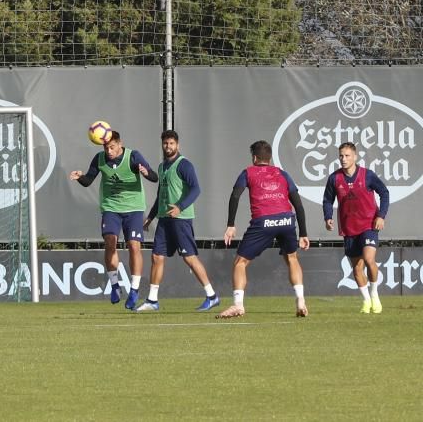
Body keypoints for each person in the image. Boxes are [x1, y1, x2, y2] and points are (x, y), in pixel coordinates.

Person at [217, 140, 310, 319]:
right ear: (270, 158)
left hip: (264, 221)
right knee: (292, 258)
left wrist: (230, 224)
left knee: (240, 263)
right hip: (286, 219)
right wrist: (303, 233)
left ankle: (238, 305)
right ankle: (300, 300)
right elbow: (298, 205)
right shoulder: (282, 173)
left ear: (254, 157)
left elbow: (235, 195)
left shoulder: (248, 172)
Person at [69, 130, 158, 309]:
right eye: (106, 147)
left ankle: (134, 289)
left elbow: (154, 177)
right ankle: (115, 285)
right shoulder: (100, 159)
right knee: (110, 241)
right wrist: (80, 177)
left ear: (120, 144)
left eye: (112, 147)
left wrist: (145, 172)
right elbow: (88, 181)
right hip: (111, 207)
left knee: (134, 245)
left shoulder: (133, 156)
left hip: (133, 208)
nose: (109, 151)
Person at [137, 130, 219, 312]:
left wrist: (180, 207)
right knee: (157, 257)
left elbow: (196, 189)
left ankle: (212, 296)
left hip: (181, 219)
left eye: (171, 143)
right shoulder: (161, 167)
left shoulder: (184, 165)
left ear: (177, 145)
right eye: (165, 143)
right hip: (164, 220)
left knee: (189, 258)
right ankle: (152, 300)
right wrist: (150, 217)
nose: (168, 146)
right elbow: (160, 196)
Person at [322, 142, 389, 314]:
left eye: (347, 155)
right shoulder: (334, 178)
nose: (343, 159)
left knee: (369, 259)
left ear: (355, 156)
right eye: (341, 156)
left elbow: (384, 192)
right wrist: (328, 216)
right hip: (349, 228)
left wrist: (381, 215)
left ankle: (374, 294)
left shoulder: (367, 175)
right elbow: (328, 200)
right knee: (357, 268)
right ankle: (366, 301)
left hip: (369, 225)